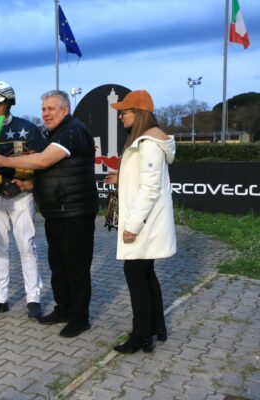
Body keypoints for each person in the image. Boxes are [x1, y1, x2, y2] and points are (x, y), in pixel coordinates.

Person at [0, 89, 98, 338]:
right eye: (43, 109)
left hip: (75, 211)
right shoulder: (53, 133)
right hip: (56, 210)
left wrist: (4, 161)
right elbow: (48, 170)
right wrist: (27, 184)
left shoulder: (72, 131)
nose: (45, 114)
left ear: (65, 110)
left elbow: (44, 161)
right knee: (58, 265)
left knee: (76, 267)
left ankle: (80, 318)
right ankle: (63, 309)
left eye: (51, 109)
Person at [106, 90, 176, 353]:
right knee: (146, 274)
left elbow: (149, 190)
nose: (121, 116)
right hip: (148, 221)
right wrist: (122, 178)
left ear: (140, 114)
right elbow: (145, 181)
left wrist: (131, 227)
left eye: (125, 111)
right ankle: (157, 328)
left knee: (136, 274)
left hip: (144, 223)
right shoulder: (147, 141)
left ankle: (141, 335)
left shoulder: (148, 144)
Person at [0, 81, 45, 320]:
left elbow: (42, 161)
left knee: (27, 246)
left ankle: (33, 298)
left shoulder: (28, 128)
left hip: (22, 195)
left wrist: (30, 182)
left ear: (8, 103)